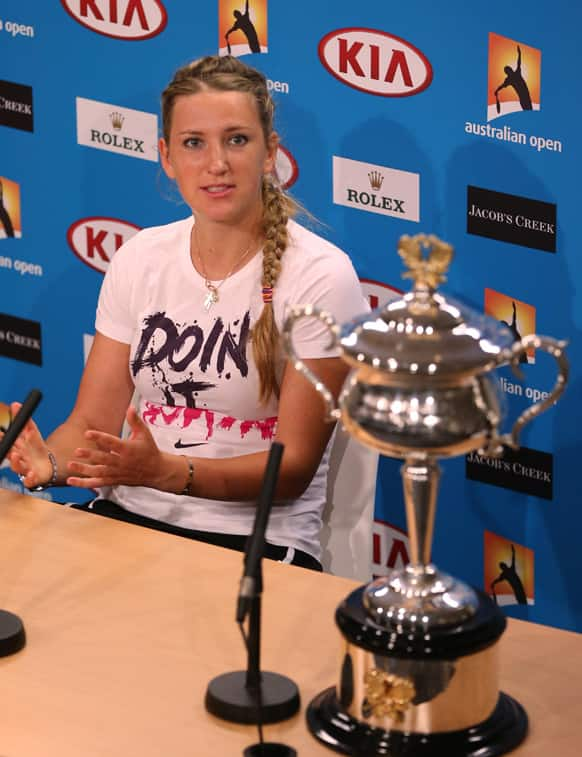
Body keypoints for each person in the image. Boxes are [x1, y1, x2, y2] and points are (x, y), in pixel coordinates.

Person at [7, 55, 367, 572]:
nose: (215, 163)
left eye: (237, 139)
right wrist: (52, 463)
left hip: (257, 544)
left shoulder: (321, 275)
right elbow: (92, 422)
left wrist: (165, 472)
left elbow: (291, 468)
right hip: (125, 520)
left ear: (271, 154)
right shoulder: (140, 256)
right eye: (193, 143)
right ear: (167, 157)